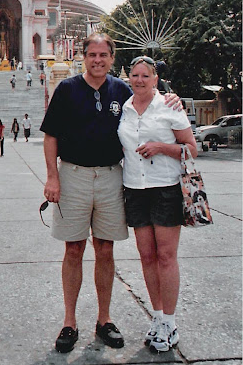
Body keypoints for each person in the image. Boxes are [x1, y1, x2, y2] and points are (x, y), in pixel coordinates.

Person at [40, 33, 180, 354]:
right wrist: (52, 178)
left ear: (112, 58)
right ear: (83, 56)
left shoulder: (123, 91)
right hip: (73, 174)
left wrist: (172, 98)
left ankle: (104, 320)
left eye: (104, 55)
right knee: (73, 249)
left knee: (105, 249)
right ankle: (69, 321)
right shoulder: (67, 89)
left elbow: (151, 99)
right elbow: (50, 136)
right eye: (92, 54)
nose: (98, 60)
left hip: (111, 177)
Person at [117, 55, 196, 353]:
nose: (138, 80)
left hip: (165, 188)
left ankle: (171, 323)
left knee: (166, 256)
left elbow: (192, 149)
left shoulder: (170, 107)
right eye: (134, 75)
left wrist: (161, 147)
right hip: (135, 189)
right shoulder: (123, 109)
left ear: (155, 79)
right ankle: (158, 317)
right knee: (146, 255)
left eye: (145, 76)